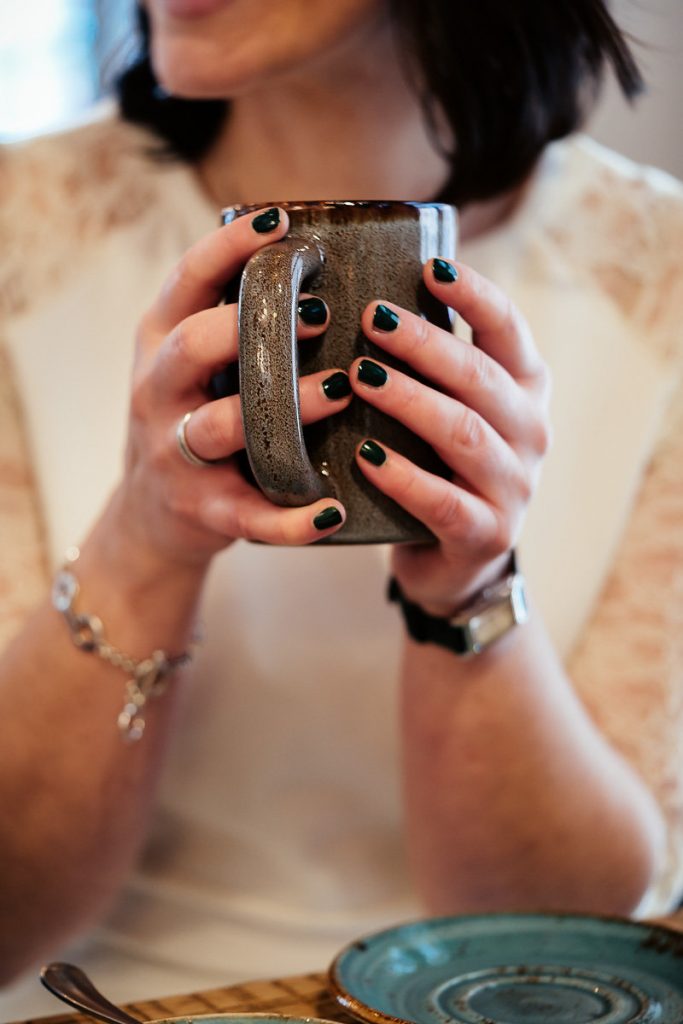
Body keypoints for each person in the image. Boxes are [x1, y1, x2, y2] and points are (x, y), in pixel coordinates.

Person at [1, 0, 682, 1017]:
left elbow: (577, 942)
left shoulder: (658, 277)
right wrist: (140, 543)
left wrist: (467, 592)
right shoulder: (21, 231)